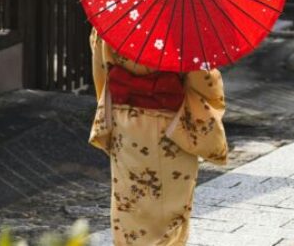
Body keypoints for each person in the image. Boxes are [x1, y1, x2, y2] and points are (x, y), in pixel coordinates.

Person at [89, 29, 228, 246]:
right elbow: (204, 80)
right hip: (172, 125)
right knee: (170, 207)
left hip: (126, 122)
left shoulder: (111, 20)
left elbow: (101, 68)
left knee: (129, 200)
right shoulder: (183, 26)